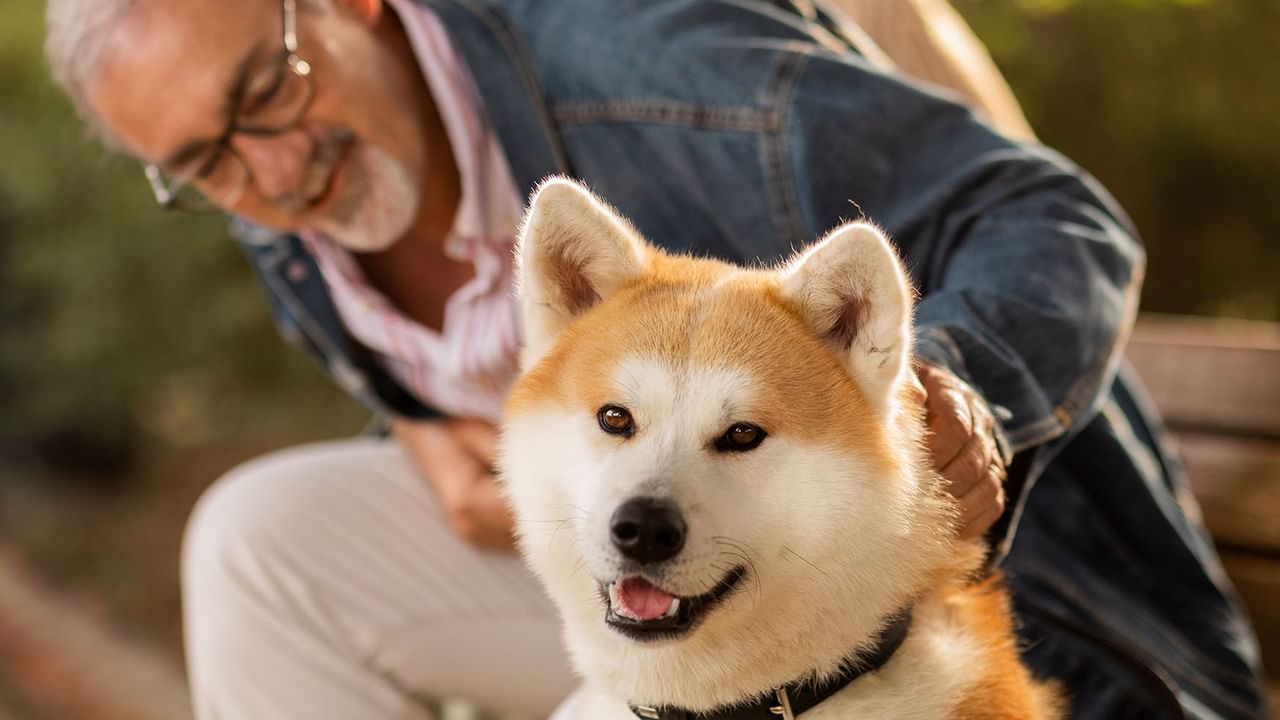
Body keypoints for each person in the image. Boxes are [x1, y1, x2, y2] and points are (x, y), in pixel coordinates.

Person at [44, 0, 1267, 718]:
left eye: (267, 90)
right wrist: (416, 430)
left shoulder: (657, 60)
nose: (264, 175)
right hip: (627, 573)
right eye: (202, 163)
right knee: (264, 536)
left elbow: (1057, 219)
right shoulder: (276, 200)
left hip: (921, 606)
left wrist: (954, 400)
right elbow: (473, 370)